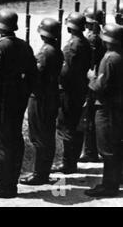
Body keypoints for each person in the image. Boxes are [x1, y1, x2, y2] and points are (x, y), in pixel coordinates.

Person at [0, 10, 37, 198]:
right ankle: (11, 181)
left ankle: (5, 186)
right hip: (19, 100)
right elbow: (33, 76)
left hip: (1, 102)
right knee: (15, 139)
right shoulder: (25, 46)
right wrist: (24, 93)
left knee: (2, 143)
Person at [20, 18, 64, 185]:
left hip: (40, 98)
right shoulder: (56, 50)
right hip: (51, 96)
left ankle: (40, 174)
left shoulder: (45, 52)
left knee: (39, 137)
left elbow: (37, 76)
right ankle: (43, 172)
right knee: (47, 136)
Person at [85, 24, 123, 197]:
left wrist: (91, 78)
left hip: (107, 108)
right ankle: (115, 179)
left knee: (107, 147)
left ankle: (109, 185)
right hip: (116, 106)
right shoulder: (119, 56)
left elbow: (100, 86)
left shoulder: (109, 58)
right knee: (114, 145)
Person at [53, 13, 92, 174]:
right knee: (76, 126)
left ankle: (68, 163)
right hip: (81, 87)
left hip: (69, 91)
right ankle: (72, 161)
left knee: (67, 126)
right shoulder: (85, 42)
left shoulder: (72, 45)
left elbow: (65, 71)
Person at [79, 7, 106, 163]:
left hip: (92, 79)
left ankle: (90, 151)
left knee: (88, 116)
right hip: (98, 78)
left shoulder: (93, 38)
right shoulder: (103, 35)